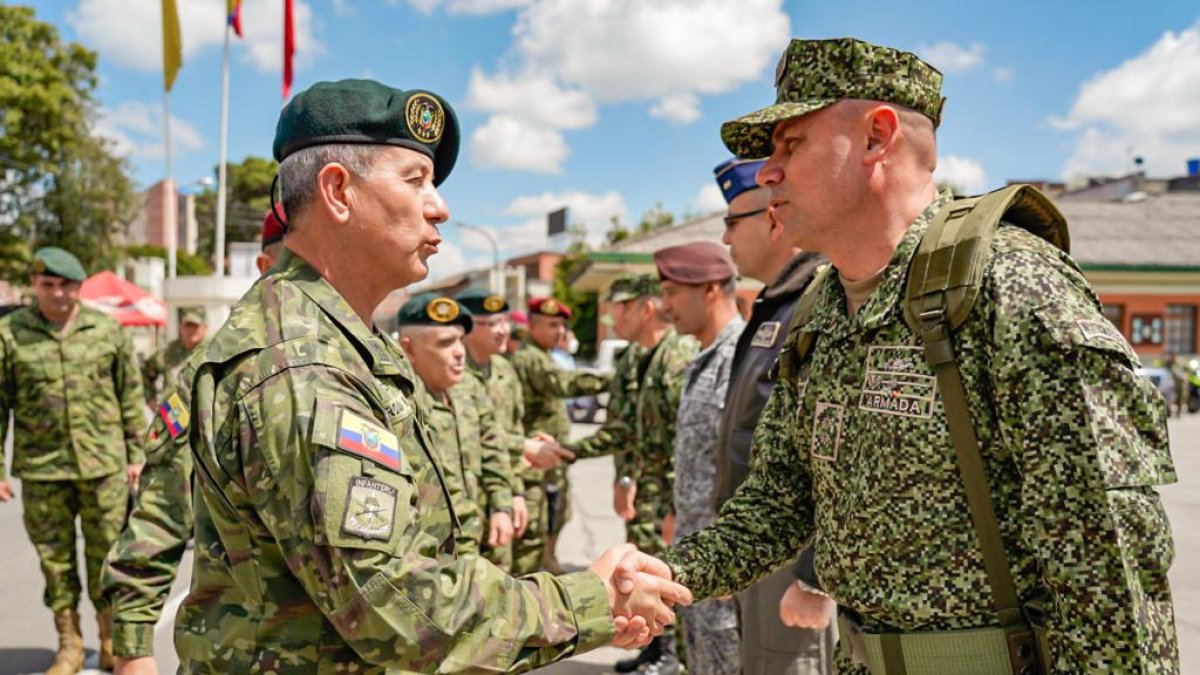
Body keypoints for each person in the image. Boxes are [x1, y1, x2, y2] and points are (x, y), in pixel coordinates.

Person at [618, 37, 1178, 673]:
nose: (767, 172)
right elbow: (778, 501)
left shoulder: (1010, 284)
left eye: (791, 144)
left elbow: (1108, 558)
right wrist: (669, 572)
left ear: (877, 137)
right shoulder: (822, 308)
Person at [174, 78, 689, 672]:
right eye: (415, 180)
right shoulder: (303, 363)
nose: (439, 206)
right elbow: (400, 609)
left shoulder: (337, 338)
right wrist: (591, 600)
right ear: (338, 191)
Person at [103, 209, 288, 675]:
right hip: (248, 653)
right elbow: (160, 516)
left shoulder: (378, 363)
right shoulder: (218, 370)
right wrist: (133, 649)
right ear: (266, 270)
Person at [710, 157, 834, 673]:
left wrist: (814, 575)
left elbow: (838, 450)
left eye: (731, 223)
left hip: (791, 561)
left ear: (773, 218)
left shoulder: (820, 301)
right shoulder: (778, 305)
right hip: (761, 553)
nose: (724, 240)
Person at [0, 247, 146, 674]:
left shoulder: (108, 331)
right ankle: (70, 644)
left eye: (66, 286)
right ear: (34, 284)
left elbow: (130, 397)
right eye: (48, 285)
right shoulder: (10, 335)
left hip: (103, 468)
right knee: (55, 560)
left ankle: (108, 638)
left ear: (78, 287)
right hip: (43, 468)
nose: (58, 294)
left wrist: (137, 456)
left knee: (107, 557)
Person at [654, 241, 745, 675]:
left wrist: (738, 563)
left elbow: (754, 467)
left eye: (672, 293)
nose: (664, 306)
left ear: (709, 289)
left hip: (729, 565)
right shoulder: (702, 358)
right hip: (696, 556)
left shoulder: (742, 358)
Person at [604, 272, 697, 675]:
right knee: (645, 573)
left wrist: (678, 504)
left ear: (646, 307)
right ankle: (656, 652)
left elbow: (688, 438)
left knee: (670, 576)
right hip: (648, 489)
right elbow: (631, 430)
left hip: (671, 495)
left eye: (621, 307)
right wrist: (627, 478)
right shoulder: (641, 358)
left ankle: (673, 660)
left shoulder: (679, 356)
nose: (613, 316)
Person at [396, 292, 514, 560]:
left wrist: (502, 505)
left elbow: (493, 446)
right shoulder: (403, 403)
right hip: (436, 553)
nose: (460, 352)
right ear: (409, 348)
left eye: (461, 339)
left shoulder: (467, 387)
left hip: (484, 536)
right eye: (446, 343)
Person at [456, 287, 567, 570]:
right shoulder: (453, 372)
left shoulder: (506, 372)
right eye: (492, 323)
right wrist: (524, 446)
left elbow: (512, 430)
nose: (504, 330)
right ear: (467, 329)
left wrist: (515, 491)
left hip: (502, 493)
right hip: (467, 499)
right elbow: (469, 433)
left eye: (505, 321)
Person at [510, 297, 611, 575]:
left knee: (556, 513)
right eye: (552, 325)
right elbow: (563, 383)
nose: (559, 331)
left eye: (562, 325)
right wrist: (612, 379)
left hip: (550, 454)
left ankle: (546, 560)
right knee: (533, 524)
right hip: (534, 458)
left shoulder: (544, 355)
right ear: (533, 325)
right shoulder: (529, 358)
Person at [142, 306, 208, 405]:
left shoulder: (214, 353)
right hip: (173, 415)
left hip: (204, 416)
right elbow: (144, 373)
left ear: (205, 328)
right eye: (188, 326)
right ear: (181, 327)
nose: (191, 330)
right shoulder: (168, 352)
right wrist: (151, 399)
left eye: (195, 326)